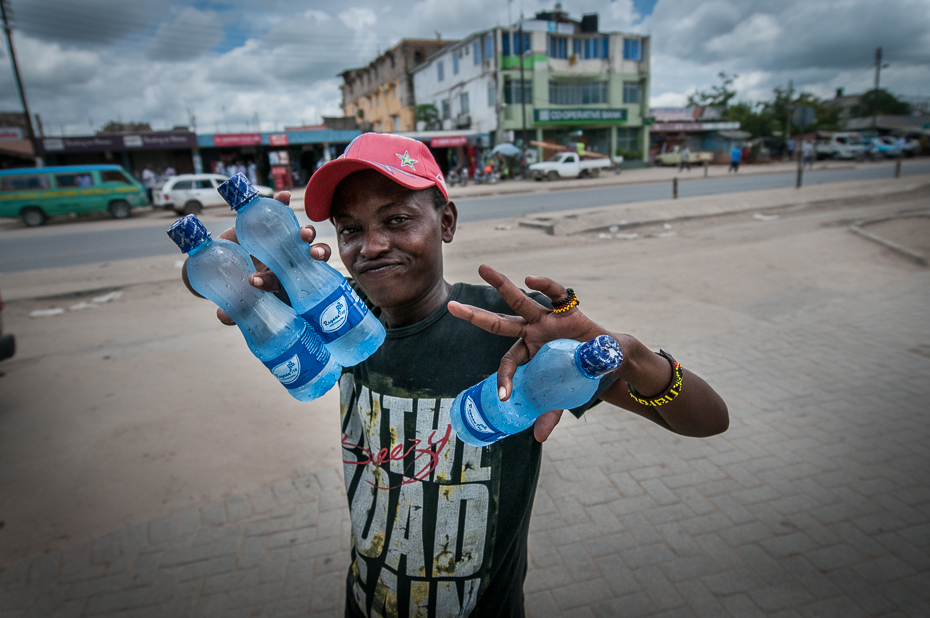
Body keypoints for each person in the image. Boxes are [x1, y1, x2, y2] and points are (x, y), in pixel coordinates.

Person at [187, 133, 728, 617]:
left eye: (397, 219)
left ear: (445, 222)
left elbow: (707, 420)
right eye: (350, 229)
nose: (371, 245)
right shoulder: (338, 318)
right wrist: (245, 262)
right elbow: (219, 283)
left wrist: (629, 355)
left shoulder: (517, 333)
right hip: (366, 599)